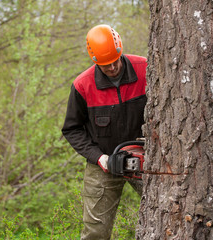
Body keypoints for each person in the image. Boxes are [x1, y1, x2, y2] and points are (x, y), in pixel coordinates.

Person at [61, 24, 147, 239]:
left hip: (145, 158)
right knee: (95, 232)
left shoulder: (145, 68)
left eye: (115, 60)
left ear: (120, 50)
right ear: (95, 60)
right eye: (105, 64)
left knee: (170, 209)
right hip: (103, 163)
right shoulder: (83, 85)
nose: (112, 68)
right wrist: (99, 158)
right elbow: (72, 129)